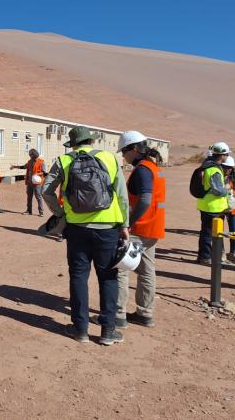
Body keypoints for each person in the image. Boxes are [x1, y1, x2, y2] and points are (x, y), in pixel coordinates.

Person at [43, 126, 129, 346]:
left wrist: (60, 213)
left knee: (79, 277)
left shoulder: (63, 161)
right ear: (91, 140)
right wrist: (125, 224)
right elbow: (121, 194)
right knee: (108, 277)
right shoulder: (109, 158)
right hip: (108, 228)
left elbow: (46, 191)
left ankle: (80, 330)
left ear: (72, 143)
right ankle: (108, 331)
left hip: (77, 228)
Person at [115, 130, 166, 329]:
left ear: (135, 149)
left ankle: (117, 315)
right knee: (146, 270)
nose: (123, 155)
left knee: (122, 269)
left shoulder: (143, 170)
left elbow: (145, 199)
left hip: (140, 230)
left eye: (124, 151)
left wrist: (128, 224)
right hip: (152, 227)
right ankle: (145, 313)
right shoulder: (153, 167)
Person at [194, 142, 231, 265]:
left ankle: (203, 256)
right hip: (213, 207)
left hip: (206, 205)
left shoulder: (206, 165)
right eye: (226, 154)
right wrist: (227, 188)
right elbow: (218, 190)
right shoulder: (214, 169)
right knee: (209, 234)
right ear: (223, 155)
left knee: (205, 232)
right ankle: (206, 257)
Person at [12, 149, 46, 216]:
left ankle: (41, 211)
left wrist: (37, 174)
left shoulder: (41, 162)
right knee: (29, 197)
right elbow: (24, 167)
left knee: (38, 197)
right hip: (30, 182)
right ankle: (29, 210)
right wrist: (15, 167)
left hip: (37, 183)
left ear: (34, 154)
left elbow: (44, 173)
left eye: (31, 154)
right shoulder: (30, 162)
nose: (30, 156)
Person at [221, 156, 235, 262]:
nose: (227, 169)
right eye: (225, 167)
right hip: (220, 209)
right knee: (219, 232)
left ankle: (233, 252)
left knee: (234, 232)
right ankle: (221, 253)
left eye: (229, 168)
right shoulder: (218, 178)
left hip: (234, 209)